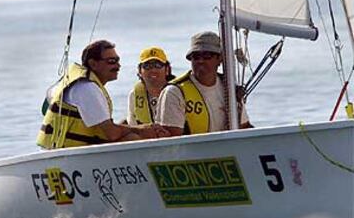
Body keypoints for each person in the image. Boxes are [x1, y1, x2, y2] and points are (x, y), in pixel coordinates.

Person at [37, 40, 169, 149]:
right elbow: (112, 134)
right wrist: (142, 130)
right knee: (133, 138)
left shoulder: (81, 83)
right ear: (93, 64)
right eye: (111, 61)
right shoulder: (86, 88)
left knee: (128, 128)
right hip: (67, 155)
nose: (118, 66)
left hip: (69, 151)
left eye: (117, 60)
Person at [155, 31, 252, 136]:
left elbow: (244, 128)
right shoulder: (175, 92)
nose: (200, 61)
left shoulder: (230, 90)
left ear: (219, 59)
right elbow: (171, 141)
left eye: (207, 55)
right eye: (196, 56)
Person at [127, 46, 175, 125]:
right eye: (147, 66)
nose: (153, 70)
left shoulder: (179, 92)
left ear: (167, 69)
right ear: (140, 71)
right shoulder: (134, 95)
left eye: (158, 65)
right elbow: (132, 124)